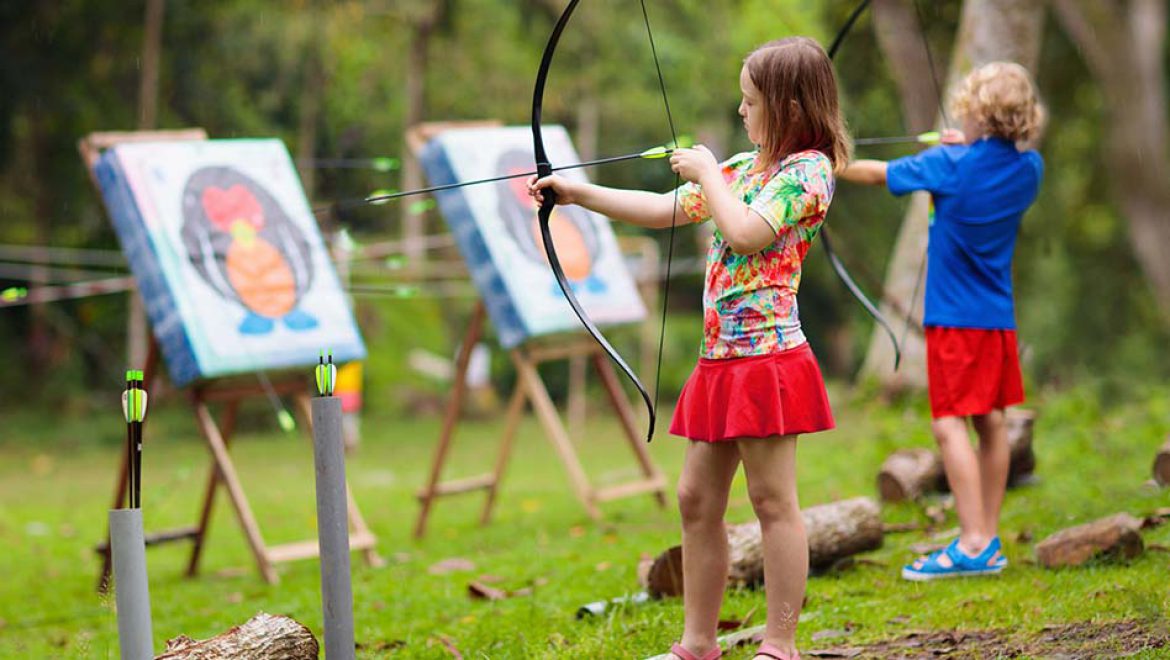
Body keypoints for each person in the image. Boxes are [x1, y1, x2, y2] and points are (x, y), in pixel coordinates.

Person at [530, 36, 848, 660]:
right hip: (719, 361)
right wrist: (576, 194)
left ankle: (779, 646)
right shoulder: (741, 167)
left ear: (786, 106)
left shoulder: (808, 172)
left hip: (766, 360)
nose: (740, 112)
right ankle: (698, 644)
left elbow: (747, 232)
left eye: (749, 101)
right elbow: (663, 207)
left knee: (771, 500)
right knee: (696, 499)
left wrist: (707, 173)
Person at [839, 61, 1045, 581]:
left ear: (977, 113)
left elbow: (874, 173)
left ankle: (973, 542)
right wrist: (967, 147)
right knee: (991, 420)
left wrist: (823, 161)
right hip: (997, 319)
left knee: (947, 422)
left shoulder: (948, 164)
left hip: (955, 319)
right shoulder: (1030, 169)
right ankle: (987, 536)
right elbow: (988, 170)